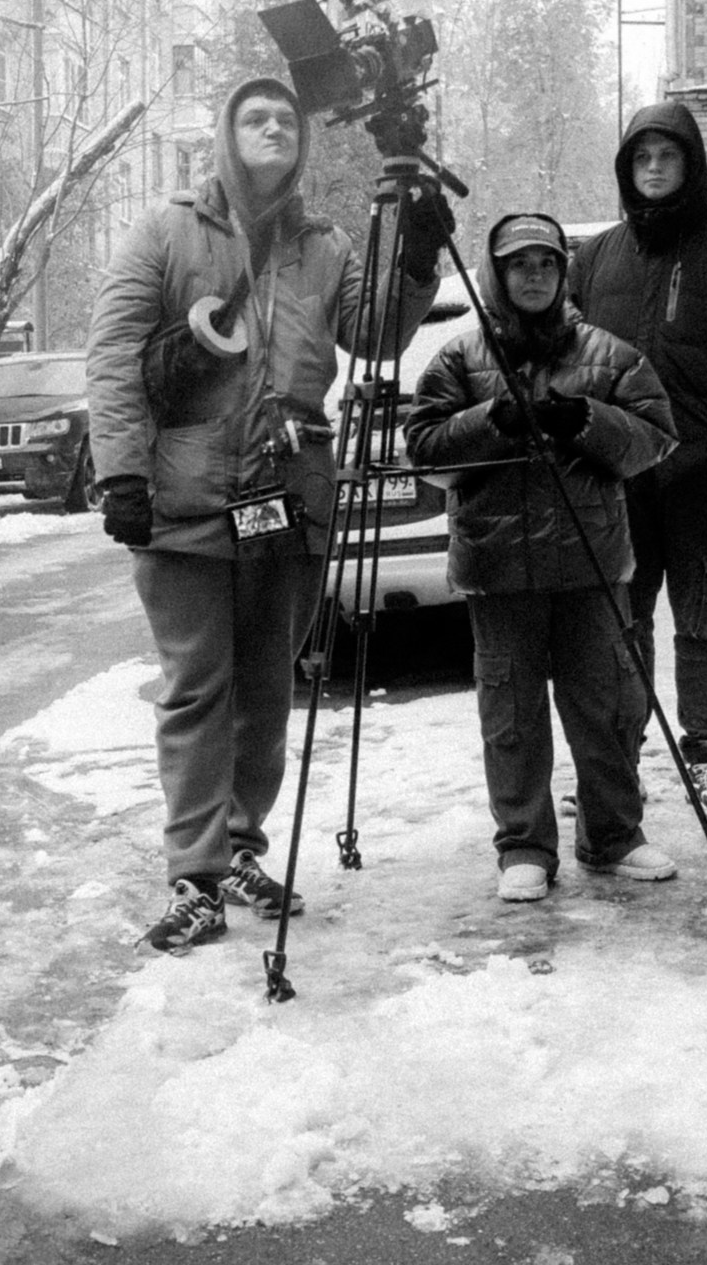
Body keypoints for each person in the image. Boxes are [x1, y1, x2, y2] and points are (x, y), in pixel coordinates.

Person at [85, 77, 445, 954]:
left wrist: (416, 256)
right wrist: (122, 474)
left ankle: (243, 847)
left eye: (288, 118)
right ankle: (196, 875)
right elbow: (114, 356)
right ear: (226, 134)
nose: (275, 127)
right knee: (198, 687)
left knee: (265, 690)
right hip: (188, 497)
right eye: (256, 117)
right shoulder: (165, 231)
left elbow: (377, 333)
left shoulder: (321, 244)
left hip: (291, 496)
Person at [405, 214, 679, 900]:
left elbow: (656, 438)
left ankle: (613, 834)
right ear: (496, 275)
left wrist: (586, 419)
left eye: (546, 263)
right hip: (497, 569)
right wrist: (484, 421)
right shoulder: (458, 359)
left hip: (590, 561)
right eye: (518, 264)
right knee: (511, 714)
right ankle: (524, 845)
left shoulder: (612, 356)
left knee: (607, 707)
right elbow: (425, 451)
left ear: (563, 273)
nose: (533, 275)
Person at [568, 102, 707, 816]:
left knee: (705, 617)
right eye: (641, 158)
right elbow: (572, 357)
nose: (653, 168)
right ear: (626, 169)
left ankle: (706, 756)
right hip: (622, 472)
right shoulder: (594, 257)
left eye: (667, 157)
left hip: (704, 472)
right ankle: (623, 755)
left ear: (691, 164)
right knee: (624, 618)